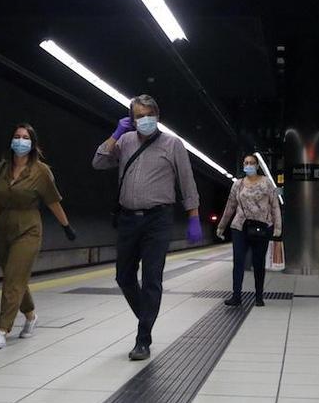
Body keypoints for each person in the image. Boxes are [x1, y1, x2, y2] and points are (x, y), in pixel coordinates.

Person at [93, 94, 202, 361]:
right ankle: (147, 315)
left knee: (152, 278)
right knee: (123, 277)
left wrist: (194, 218)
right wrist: (115, 134)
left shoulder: (172, 144)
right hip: (129, 219)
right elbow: (98, 162)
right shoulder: (126, 141)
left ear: (157, 116)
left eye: (148, 114)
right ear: (131, 119)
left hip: (158, 219)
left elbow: (187, 182)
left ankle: (143, 339)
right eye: (138, 116)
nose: (144, 120)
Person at [0, 123, 77, 349]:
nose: (20, 140)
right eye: (17, 136)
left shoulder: (41, 171)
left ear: (32, 144)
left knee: (13, 278)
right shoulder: (1, 168)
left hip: (28, 228)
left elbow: (53, 201)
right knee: (15, 277)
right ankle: (31, 316)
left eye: (25, 137)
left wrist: (66, 226)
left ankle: (2, 330)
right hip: (3, 228)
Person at [216, 154, 282, 307]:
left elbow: (274, 206)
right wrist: (221, 226)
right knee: (238, 262)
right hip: (240, 227)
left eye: (252, 163)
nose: (249, 165)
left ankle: (259, 296)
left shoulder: (267, 183)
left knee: (258, 263)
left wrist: (278, 227)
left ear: (257, 166)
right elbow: (230, 206)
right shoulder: (238, 184)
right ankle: (236, 296)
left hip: (262, 227)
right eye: (246, 163)